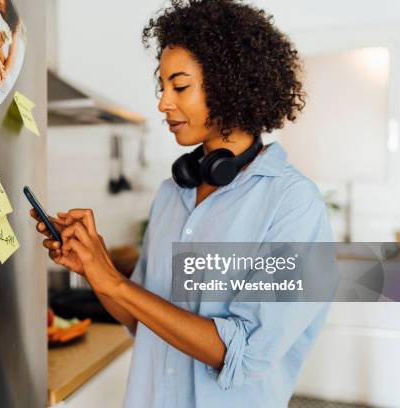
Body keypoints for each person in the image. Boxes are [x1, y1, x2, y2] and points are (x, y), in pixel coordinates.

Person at [31, 1, 334, 407]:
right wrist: (94, 264)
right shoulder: (171, 194)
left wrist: (115, 281)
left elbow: (240, 354)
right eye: (163, 86)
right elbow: (139, 317)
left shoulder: (295, 205)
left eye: (180, 85)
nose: (162, 103)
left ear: (231, 85)